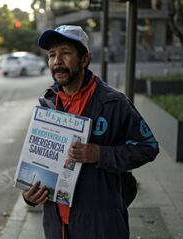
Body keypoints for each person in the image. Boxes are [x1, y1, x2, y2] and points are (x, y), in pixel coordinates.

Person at [22, 25, 159, 239]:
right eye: (52, 55)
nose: (57, 61)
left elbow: (148, 148)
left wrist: (99, 154)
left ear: (85, 59)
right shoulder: (48, 103)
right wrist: (30, 195)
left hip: (101, 227)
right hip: (57, 228)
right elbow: (37, 165)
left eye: (65, 53)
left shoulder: (115, 103)